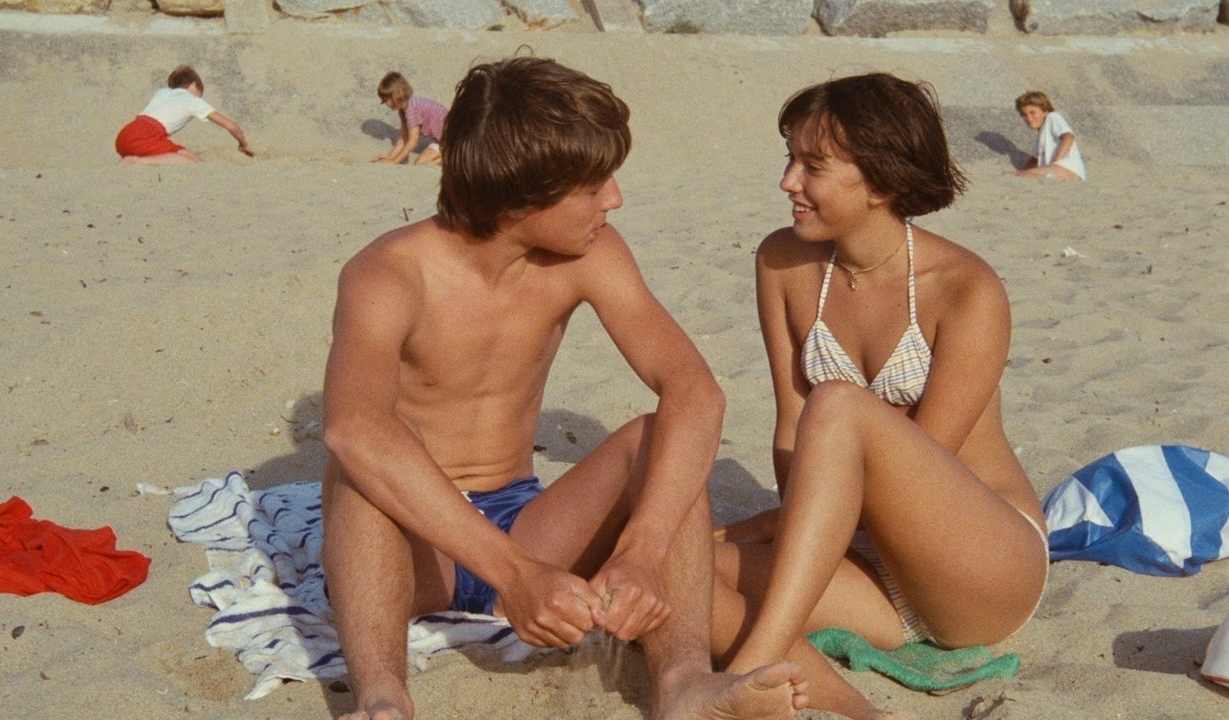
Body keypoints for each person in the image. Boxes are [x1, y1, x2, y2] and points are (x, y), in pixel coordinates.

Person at [321, 55, 808, 720]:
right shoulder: (388, 275)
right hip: (416, 541)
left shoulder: (591, 255)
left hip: (527, 522)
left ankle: (684, 684)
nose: (615, 198)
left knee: (661, 437)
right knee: (358, 470)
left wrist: (642, 550)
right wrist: (515, 576)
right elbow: (353, 428)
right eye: (592, 185)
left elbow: (695, 391)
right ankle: (384, 699)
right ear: (520, 195)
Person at [709, 73, 1050, 720]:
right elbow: (789, 429)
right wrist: (778, 534)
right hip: (868, 560)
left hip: (982, 566)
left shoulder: (966, 290)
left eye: (812, 166)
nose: (788, 182)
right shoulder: (781, 263)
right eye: (790, 159)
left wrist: (768, 529)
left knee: (835, 404)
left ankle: (756, 664)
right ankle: (848, 705)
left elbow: (925, 460)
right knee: (688, 570)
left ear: (883, 183)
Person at [114, 65, 254, 165]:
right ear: (193, 84)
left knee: (191, 157)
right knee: (193, 163)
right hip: (146, 135)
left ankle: (134, 158)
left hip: (125, 134)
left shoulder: (163, 92)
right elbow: (231, 126)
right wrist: (243, 144)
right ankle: (137, 161)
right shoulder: (193, 100)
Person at [372, 71, 447, 166]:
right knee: (422, 162)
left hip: (454, 140)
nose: (387, 104)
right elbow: (404, 138)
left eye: (388, 99)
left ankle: (453, 158)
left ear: (397, 95)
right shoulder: (403, 110)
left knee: (423, 164)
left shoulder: (412, 108)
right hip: (442, 142)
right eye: (384, 100)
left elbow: (413, 141)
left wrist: (394, 161)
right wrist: (390, 157)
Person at [1013, 90, 1085, 181]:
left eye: (1032, 112)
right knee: (1018, 175)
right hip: (1059, 169)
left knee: (1020, 176)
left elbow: (1068, 137)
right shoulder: (1042, 134)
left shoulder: (1053, 117)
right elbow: (1034, 160)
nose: (1029, 118)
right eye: (1024, 115)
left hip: (1069, 168)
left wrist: (1055, 163)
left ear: (1045, 110)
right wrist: (1022, 170)